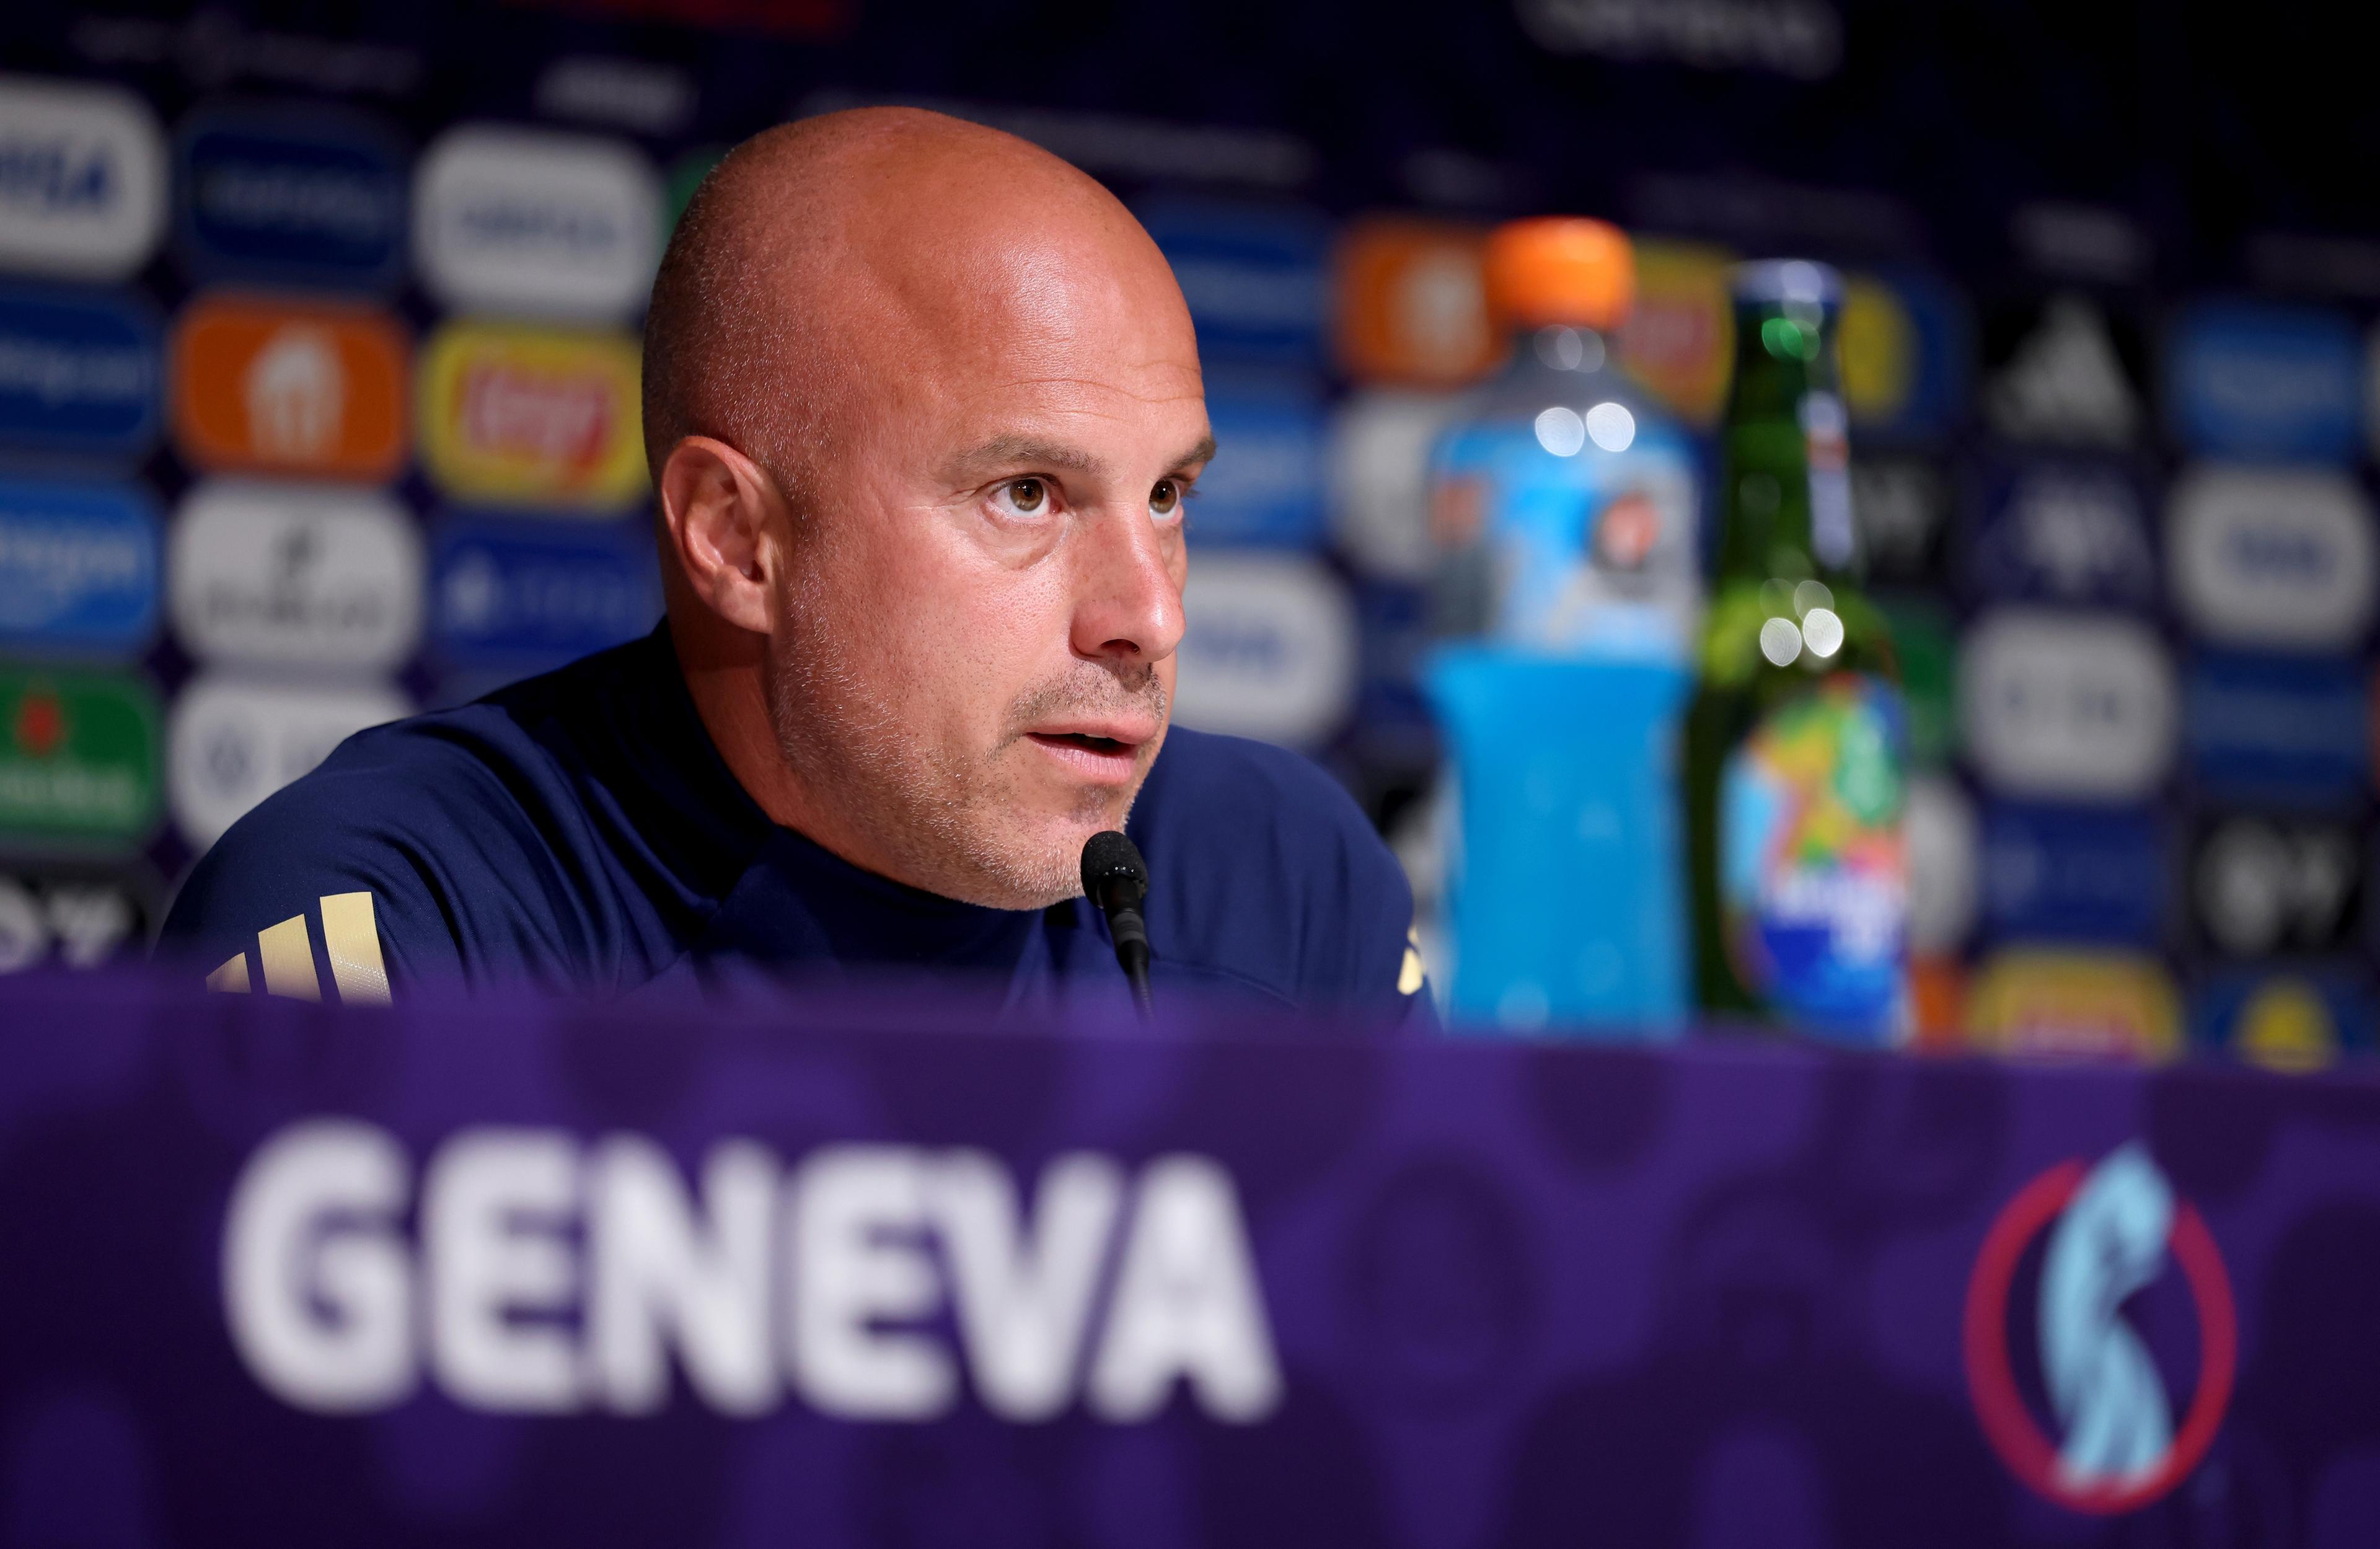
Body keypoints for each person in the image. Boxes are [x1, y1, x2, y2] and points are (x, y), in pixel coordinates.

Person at [157, 108, 1431, 1022]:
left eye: (1166, 496)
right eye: (1027, 493)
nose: (1148, 614)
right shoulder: (410, 919)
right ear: (733, 538)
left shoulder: (1286, 885)